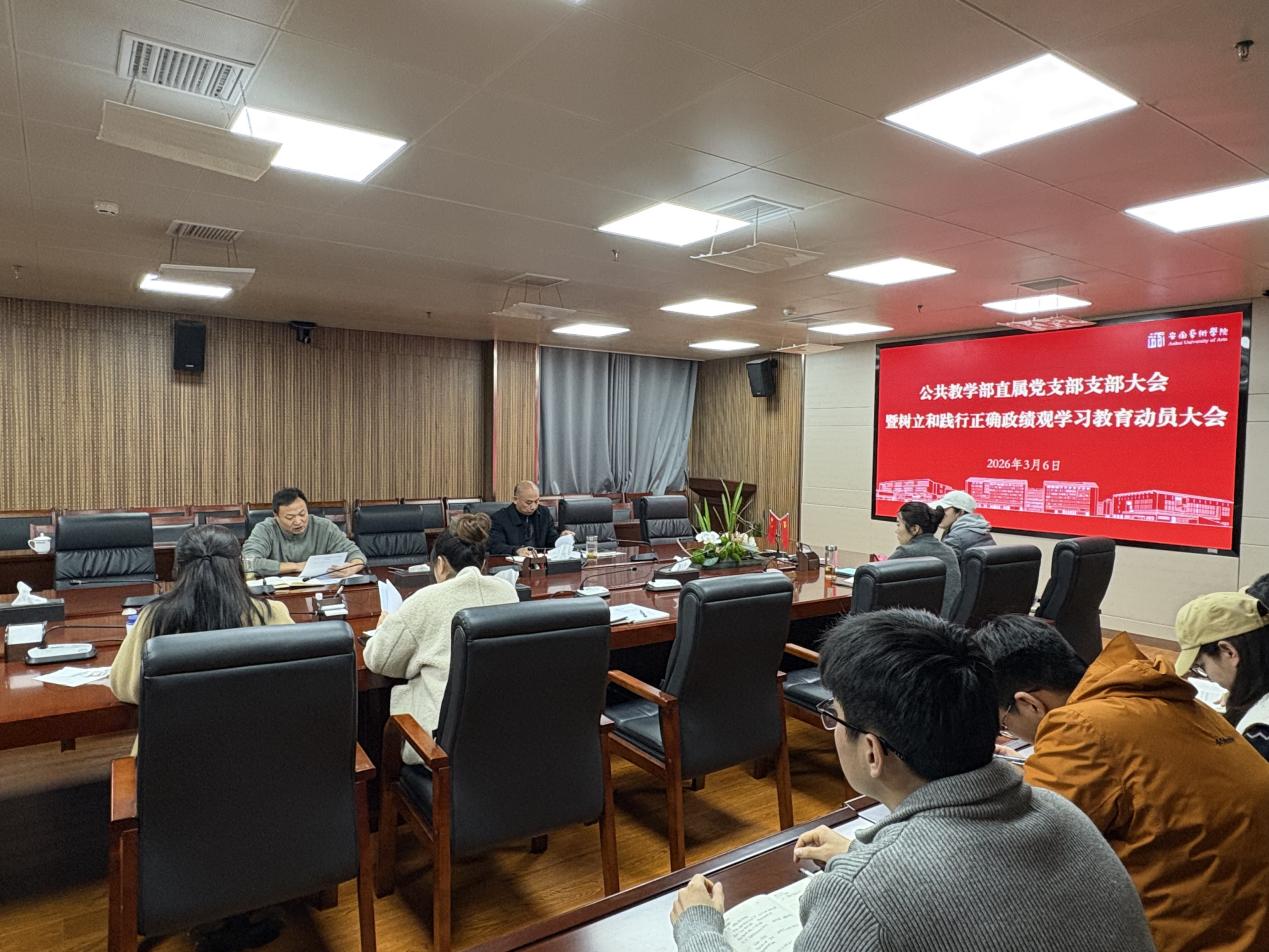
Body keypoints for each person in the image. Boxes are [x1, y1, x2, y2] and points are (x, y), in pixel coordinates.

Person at [670, 608, 1154, 952]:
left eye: (834, 716)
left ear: (873, 752)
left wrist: (699, 927)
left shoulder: (861, 893)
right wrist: (864, 859)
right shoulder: (1060, 811)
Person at [975, 614, 1269, 952]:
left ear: (1029, 704)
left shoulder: (1078, 728)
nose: (1007, 732)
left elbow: (1015, 853)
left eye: (1004, 723)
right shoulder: (1148, 696)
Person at [110, 525, 293, 749]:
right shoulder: (271, 613)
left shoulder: (154, 617)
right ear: (239, 566)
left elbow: (125, 688)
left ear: (178, 567)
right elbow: (292, 684)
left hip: (171, 752)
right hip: (259, 748)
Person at [363, 513, 519, 763]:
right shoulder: (507, 592)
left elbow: (379, 660)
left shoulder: (425, 600)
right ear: (482, 563)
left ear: (441, 564)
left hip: (442, 752)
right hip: (505, 737)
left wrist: (383, 629)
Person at [1175, 591, 1269, 760]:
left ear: (1229, 652)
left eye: (1201, 667)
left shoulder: (1259, 734)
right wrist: (1242, 692)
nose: (1209, 677)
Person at [241, 487, 365, 577]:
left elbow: (357, 555)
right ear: (276, 515)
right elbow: (248, 562)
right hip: (277, 593)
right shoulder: (265, 529)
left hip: (319, 589)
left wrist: (351, 568)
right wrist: (297, 566)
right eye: (290, 517)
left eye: (302, 514)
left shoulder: (324, 527)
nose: (298, 521)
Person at [889, 500, 961, 616]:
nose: (896, 530)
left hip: (919, 622)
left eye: (899, 525)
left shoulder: (906, 552)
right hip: (948, 622)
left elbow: (876, 583)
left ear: (915, 529)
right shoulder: (949, 552)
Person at [488, 480, 573, 556]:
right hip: (514, 563)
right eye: (528, 502)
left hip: (540, 561)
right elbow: (495, 546)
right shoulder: (499, 518)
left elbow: (551, 539)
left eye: (536, 501)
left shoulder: (544, 513)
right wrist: (516, 550)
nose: (533, 507)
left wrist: (561, 538)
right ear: (515, 500)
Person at [934, 490, 996, 559]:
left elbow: (942, 563)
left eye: (945, 509)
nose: (940, 513)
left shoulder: (955, 537)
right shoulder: (980, 529)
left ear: (961, 512)